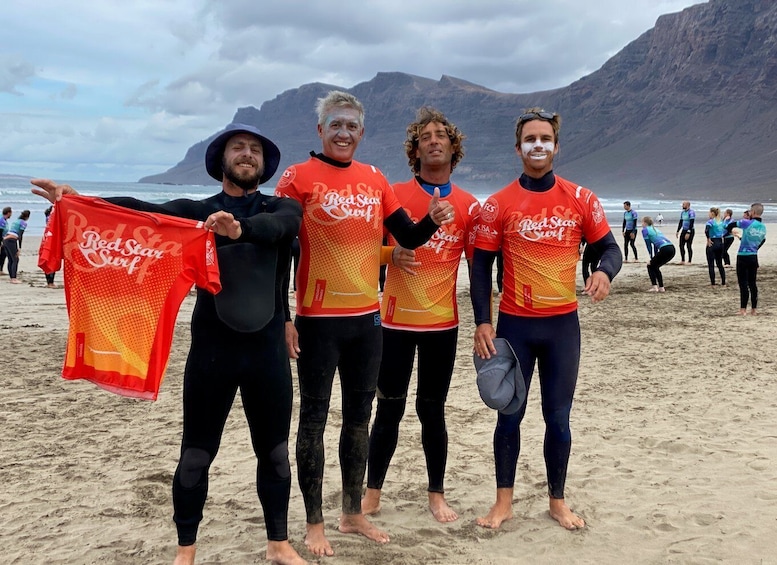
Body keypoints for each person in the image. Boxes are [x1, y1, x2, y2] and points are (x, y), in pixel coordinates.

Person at [32, 123, 307, 565]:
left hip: (267, 353)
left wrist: (239, 231)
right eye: (238, 147)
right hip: (212, 354)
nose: (247, 154)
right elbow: (143, 212)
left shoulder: (283, 207)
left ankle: (278, 542)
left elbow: (280, 227)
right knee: (196, 454)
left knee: (275, 454)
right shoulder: (196, 213)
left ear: (264, 163)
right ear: (222, 159)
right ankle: (186, 551)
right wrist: (78, 201)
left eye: (255, 149)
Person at [275, 91, 454, 557]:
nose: (343, 132)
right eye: (335, 124)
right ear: (320, 130)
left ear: (361, 132)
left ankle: (351, 513)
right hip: (317, 322)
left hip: (367, 323)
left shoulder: (374, 179)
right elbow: (277, 250)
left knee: (359, 420)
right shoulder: (299, 177)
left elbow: (407, 236)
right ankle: (315, 524)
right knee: (312, 422)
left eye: (352, 125)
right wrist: (284, 317)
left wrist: (432, 221)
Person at [470, 108, 622, 531]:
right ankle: (504, 503)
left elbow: (610, 249)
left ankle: (557, 501)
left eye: (545, 138)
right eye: (530, 139)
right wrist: (483, 321)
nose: (538, 145)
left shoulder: (581, 199)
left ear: (556, 145)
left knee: (558, 418)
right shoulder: (498, 204)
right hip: (515, 327)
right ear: (518, 147)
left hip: (561, 329)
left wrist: (604, 272)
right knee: (509, 416)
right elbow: (480, 268)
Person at [361, 107, 480, 524]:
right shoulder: (392, 195)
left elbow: (479, 266)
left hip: (441, 325)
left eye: (440, 135)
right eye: (424, 136)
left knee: (433, 410)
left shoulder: (467, 205)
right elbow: (364, 251)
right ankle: (372, 492)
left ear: (452, 147)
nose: (433, 140)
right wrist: (393, 252)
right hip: (393, 323)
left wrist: (486, 320)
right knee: (388, 409)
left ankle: (436, 494)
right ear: (415, 149)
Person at [726, 203, 767, 315]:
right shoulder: (763, 227)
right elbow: (763, 240)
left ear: (752, 212)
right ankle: (754, 309)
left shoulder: (746, 223)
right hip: (754, 256)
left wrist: (731, 232)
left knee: (743, 283)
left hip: (743, 256)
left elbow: (730, 225)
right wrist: (755, 247)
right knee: (752, 283)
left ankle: (743, 309)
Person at [642, 216, 676, 292]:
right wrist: (654, 257)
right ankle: (661, 287)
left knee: (650, 265)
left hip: (664, 249)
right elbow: (655, 245)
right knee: (655, 266)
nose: (642, 224)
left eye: (642, 222)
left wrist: (651, 257)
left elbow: (648, 245)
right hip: (671, 248)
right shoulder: (655, 229)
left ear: (645, 223)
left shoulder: (645, 230)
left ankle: (654, 287)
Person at [3, 209, 30, 284]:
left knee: (10, 259)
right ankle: (14, 278)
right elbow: (20, 235)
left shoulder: (16, 221)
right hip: (11, 240)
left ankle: (11, 277)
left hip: (6, 239)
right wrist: (19, 247)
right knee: (15, 259)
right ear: (27, 217)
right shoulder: (23, 223)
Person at [704, 207, 726, 287]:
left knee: (711, 264)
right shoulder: (721, 222)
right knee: (720, 264)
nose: (708, 214)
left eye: (709, 212)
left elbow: (706, 230)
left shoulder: (710, 221)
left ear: (712, 213)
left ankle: (713, 283)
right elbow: (726, 230)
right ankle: (723, 282)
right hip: (720, 242)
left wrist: (708, 238)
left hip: (712, 242)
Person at [42, 206, 57, 288]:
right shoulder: (52, 218)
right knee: (52, 261)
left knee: (47, 260)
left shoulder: (48, 218)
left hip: (46, 239)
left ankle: (49, 282)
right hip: (51, 241)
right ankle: (50, 282)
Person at [0, 206, 12, 274]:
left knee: (3, 255)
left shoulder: (4, 220)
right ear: (8, 213)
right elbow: (0, 231)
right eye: (11, 213)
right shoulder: (2, 220)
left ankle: (1, 269)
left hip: (4, 239)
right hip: (2, 239)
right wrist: (1, 242)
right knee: (2, 255)